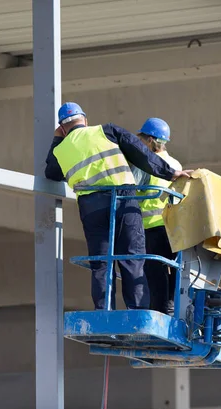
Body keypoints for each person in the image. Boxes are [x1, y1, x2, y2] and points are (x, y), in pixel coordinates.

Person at [44, 103, 192, 311]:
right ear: (85, 120)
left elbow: (51, 173)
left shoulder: (61, 149)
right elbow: (140, 152)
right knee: (132, 258)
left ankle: (104, 310)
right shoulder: (106, 131)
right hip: (123, 200)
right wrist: (169, 173)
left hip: (91, 206)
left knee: (101, 262)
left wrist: (57, 139)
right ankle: (138, 312)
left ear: (62, 127)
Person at [131, 118, 183, 316]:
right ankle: (170, 310)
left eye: (143, 140)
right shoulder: (175, 164)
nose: (141, 144)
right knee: (170, 272)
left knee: (154, 273)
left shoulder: (146, 162)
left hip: (150, 226)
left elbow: (132, 191)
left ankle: (160, 312)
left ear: (151, 140)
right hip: (172, 228)